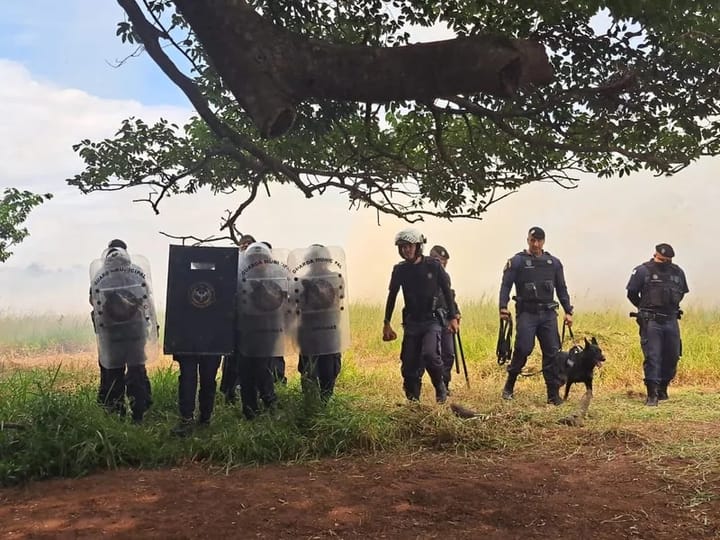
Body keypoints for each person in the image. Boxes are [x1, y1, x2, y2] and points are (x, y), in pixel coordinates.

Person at [499, 227, 573, 405]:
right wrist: (503, 306)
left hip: (548, 313)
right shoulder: (517, 261)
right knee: (523, 348)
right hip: (527, 312)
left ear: (544, 241)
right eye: (532, 240)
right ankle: (509, 385)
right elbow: (506, 285)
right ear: (527, 240)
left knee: (552, 353)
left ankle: (552, 394)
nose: (536, 244)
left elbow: (562, 288)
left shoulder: (553, 263)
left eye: (539, 240)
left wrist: (568, 310)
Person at [383, 229, 459, 403]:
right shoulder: (399, 270)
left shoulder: (433, 265)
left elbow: (447, 291)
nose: (405, 250)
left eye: (409, 246)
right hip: (411, 322)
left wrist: (453, 317)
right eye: (402, 247)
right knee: (409, 364)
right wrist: (386, 322)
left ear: (418, 246)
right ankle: (413, 400)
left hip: (431, 320)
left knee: (431, 355)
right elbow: (392, 295)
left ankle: (440, 386)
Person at [90, 239, 156, 423]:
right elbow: (146, 299)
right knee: (136, 373)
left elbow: (93, 300)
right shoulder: (137, 272)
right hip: (136, 333)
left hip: (111, 335)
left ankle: (116, 416)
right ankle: (138, 415)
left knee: (113, 375)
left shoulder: (100, 274)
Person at [626, 243, 689, 406]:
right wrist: (644, 308)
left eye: (667, 260)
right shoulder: (642, 271)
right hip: (651, 321)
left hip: (671, 319)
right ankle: (652, 394)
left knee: (673, 355)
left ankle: (663, 388)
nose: (664, 262)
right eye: (661, 259)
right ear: (655, 255)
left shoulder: (677, 272)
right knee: (653, 356)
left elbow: (681, 293)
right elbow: (632, 293)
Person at [291, 244, 349, 402]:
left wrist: (316, 289)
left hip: (329, 330)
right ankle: (310, 404)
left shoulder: (336, 278)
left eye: (320, 259)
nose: (318, 264)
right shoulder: (300, 281)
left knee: (329, 371)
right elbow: (297, 305)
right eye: (314, 260)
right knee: (308, 370)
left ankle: (325, 403)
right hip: (309, 332)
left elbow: (337, 300)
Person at [220, 233, 257, 402]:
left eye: (249, 244)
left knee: (249, 360)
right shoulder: (231, 266)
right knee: (231, 359)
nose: (245, 247)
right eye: (243, 245)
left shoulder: (258, 269)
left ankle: (247, 391)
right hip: (233, 321)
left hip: (253, 323)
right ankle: (229, 391)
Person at [429, 245, 461, 394]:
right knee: (432, 355)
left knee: (448, 354)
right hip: (429, 320)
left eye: (444, 263)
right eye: (440, 261)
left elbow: (449, 297)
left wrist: (455, 314)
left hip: (445, 318)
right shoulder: (423, 273)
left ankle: (444, 384)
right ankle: (436, 384)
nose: (442, 266)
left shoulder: (445, 277)